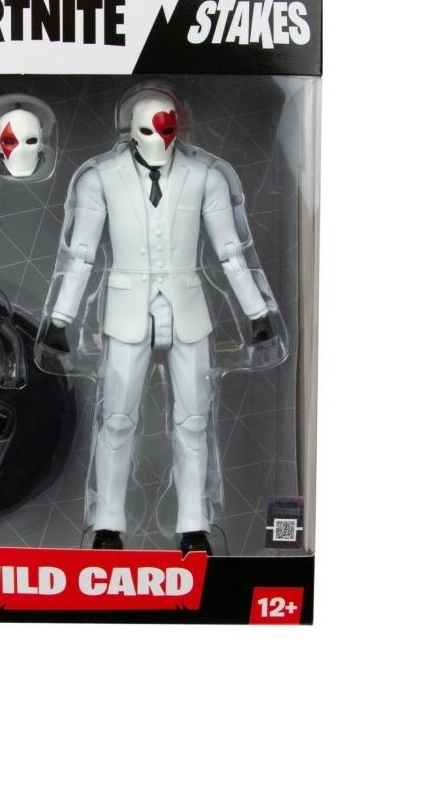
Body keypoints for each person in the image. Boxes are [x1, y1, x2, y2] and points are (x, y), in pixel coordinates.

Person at [43, 91, 275, 552]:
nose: (159, 141)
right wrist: (60, 317)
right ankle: (107, 524)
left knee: (194, 420)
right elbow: (81, 254)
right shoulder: (100, 178)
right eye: (149, 130)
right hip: (126, 311)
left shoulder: (205, 176)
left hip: (188, 309)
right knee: (116, 418)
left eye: (167, 131)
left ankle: (194, 524)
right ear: (130, 130)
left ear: (178, 130)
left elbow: (231, 252)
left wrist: (257, 311)